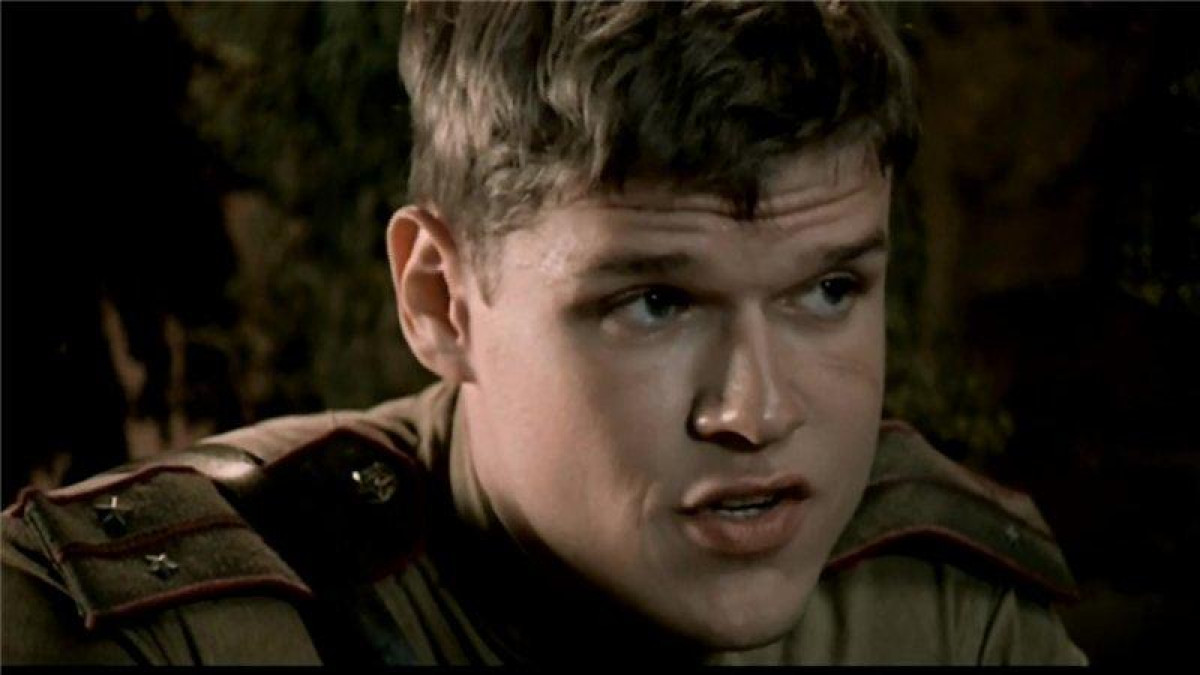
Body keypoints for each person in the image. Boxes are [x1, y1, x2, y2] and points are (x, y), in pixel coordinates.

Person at [1, 1, 1087, 665]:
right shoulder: (167, 640)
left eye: (830, 289)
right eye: (656, 303)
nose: (756, 412)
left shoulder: (943, 619)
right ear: (440, 300)